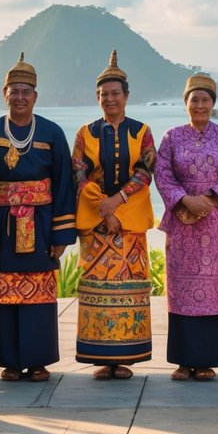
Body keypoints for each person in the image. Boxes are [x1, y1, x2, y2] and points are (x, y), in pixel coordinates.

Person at [0, 53, 76, 382]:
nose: (19, 97)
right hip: (2, 227)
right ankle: (9, 361)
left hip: (41, 226)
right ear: (4, 94)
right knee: (3, 293)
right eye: (13, 91)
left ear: (35, 96)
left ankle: (39, 360)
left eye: (26, 91)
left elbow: (64, 186)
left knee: (39, 296)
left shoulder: (52, 132)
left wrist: (60, 236)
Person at [71, 50, 156, 379]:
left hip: (131, 221)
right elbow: (79, 174)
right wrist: (103, 208)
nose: (110, 99)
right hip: (96, 223)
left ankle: (126, 357)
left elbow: (146, 171)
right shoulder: (85, 133)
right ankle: (100, 357)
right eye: (104, 94)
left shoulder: (142, 131)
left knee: (129, 290)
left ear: (127, 95)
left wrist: (118, 200)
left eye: (115, 93)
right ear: (97, 97)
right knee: (97, 290)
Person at [154, 72, 218, 381]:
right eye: (195, 100)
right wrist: (184, 200)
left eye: (205, 100)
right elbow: (162, 174)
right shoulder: (171, 137)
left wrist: (211, 198)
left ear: (213, 104)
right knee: (182, 288)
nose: (200, 105)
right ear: (186, 104)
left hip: (217, 222)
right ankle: (183, 360)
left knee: (214, 288)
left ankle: (207, 360)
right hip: (183, 222)